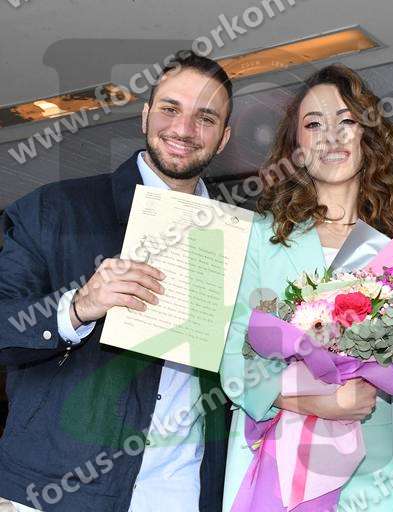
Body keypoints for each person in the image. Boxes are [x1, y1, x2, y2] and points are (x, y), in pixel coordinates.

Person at [0, 51, 233, 511]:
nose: (184, 129)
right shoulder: (53, 210)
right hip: (53, 493)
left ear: (223, 138)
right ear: (145, 116)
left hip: (182, 494)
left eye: (205, 118)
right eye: (170, 108)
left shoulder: (241, 237)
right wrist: (76, 308)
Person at [220, 64, 393, 512]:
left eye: (345, 120)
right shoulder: (261, 239)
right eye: (314, 125)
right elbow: (232, 362)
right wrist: (321, 402)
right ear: (296, 147)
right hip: (279, 467)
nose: (331, 137)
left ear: (367, 135)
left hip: (376, 476)